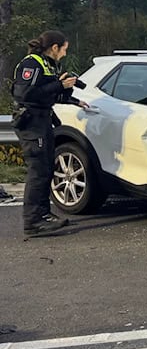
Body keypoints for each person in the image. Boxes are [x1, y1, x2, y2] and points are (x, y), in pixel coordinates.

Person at [11, 30, 89, 237]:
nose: (64, 54)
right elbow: (25, 93)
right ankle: (32, 221)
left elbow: (48, 93)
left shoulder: (48, 64)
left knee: (46, 168)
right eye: (64, 49)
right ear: (55, 47)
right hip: (31, 123)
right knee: (37, 170)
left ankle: (43, 215)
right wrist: (59, 84)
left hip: (43, 120)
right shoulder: (32, 64)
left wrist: (72, 99)